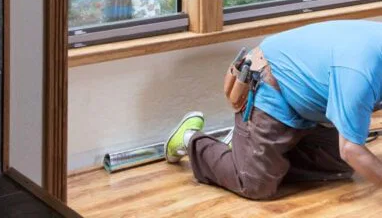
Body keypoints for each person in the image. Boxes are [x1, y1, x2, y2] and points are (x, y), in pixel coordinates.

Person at [164, 19, 382, 200]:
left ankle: (247, 149)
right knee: (255, 184)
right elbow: (351, 149)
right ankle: (190, 138)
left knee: (338, 166)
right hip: (270, 85)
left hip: (309, 100)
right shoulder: (359, 74)